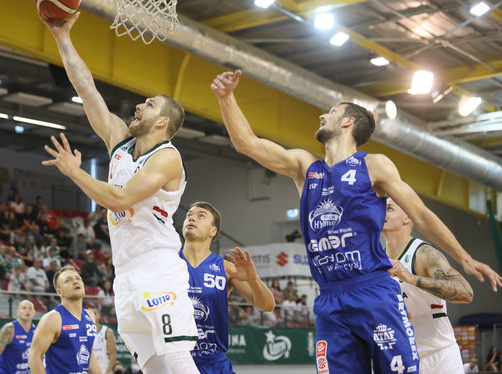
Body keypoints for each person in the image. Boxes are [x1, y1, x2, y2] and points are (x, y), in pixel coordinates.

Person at [211, 69, 502, 374]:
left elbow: (421, 215)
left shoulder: (373, 165)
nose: (323, 116)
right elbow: (247, 144)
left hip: (373, 291)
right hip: (329, 299)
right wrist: (226, 98)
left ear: (348, 122)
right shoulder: (305, 166)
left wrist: (465, 259)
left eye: (332, 112)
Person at [40, 11, 198, 373]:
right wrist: (62, 36)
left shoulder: (167, 158)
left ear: (162, 123)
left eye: (150, 105)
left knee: (175, 357)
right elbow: (86, 89)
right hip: (124, 272)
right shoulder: (120, 143)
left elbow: (120, 199)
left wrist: (75, 172)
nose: (139, 105)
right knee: (153, 364)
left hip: (158, 266)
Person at [180, 201, 275, 373]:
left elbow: (267, 306)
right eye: (189, 215)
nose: (192, 218)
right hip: (176, 359)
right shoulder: (168, 263)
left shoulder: (226, 268)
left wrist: (253, 280)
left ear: (213, 231)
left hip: (213, 362)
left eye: (200, 216)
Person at [384, 197, 473, 373]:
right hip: (404, 359)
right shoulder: (377, 259)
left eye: (389, 209)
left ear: (407, 218)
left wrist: (411, 278)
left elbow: (466, 292)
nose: (381, 212)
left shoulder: (423, 253)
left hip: (440, 356)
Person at [28, 265, 102, 374]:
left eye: (78, 278)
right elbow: (34, 356)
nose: (76, 282)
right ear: (60, 292)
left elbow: (90, 357)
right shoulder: (53, 318)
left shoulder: (90, 315)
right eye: (68, 280)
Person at [0, 299, 36, 374]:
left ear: (34, 312)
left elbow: (40, 357)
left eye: (30, 308)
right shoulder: (9, 329)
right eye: (24, 308)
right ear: (18, 312)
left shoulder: (35, 331)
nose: (27, 310)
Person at [89, 308, 117, 374]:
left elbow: (113, 354)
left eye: (94, 314)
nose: (92, 316)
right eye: (89, 314)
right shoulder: (82, 332)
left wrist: (108, 371)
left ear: (99, 315)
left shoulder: (107, 331)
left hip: (103, 369)